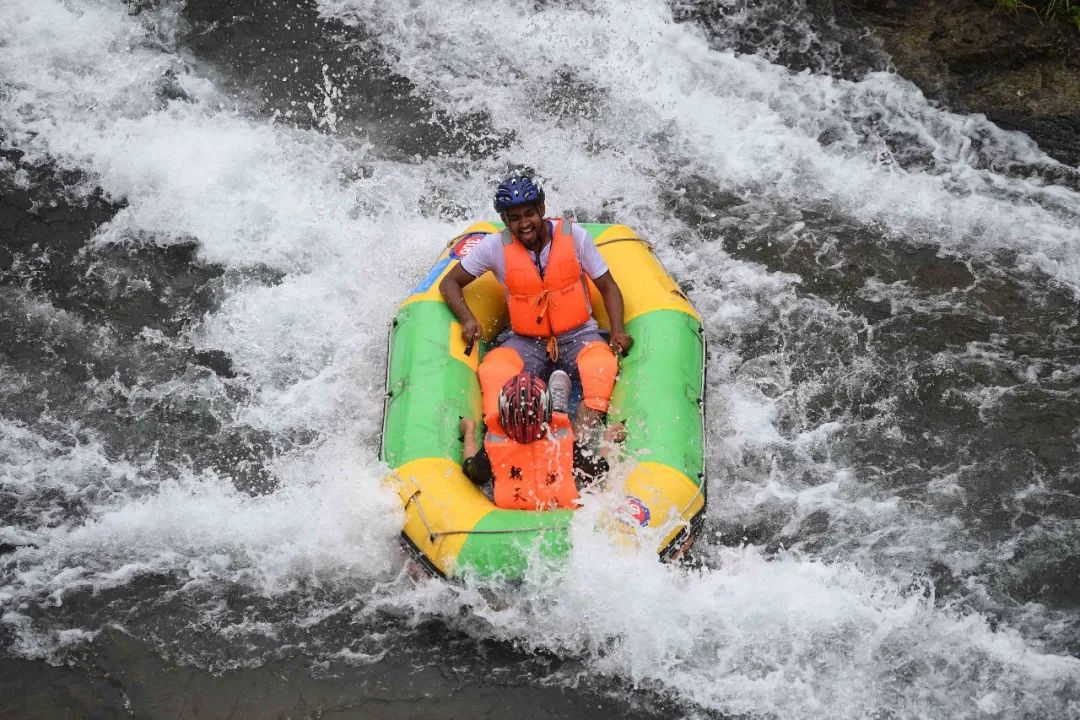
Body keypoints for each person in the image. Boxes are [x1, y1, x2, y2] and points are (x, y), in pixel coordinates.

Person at [439, 173, 633, 436]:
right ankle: (503, 439)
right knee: (495, 369)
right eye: (514, 218)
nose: (524, 224)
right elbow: (449, 282)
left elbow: (608, 287)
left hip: (579, 335)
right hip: (526, 340)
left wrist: (618, 329)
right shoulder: (493, 247)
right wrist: (468, 319)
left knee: (600, 364)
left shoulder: (575, 237)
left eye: (529, 214)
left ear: (541, 209)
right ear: (505, 220)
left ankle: (577, 441)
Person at [460, 370, 620, 510]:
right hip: (559, 510)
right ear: (546, 414)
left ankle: (557, 407)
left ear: (503, 415)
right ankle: (558, 409)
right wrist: (608, 438)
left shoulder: (493, 448)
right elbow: (598, 472)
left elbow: (472, 471)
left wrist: (469, 431)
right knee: (574, 429)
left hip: (512, 511)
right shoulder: (563, 444)